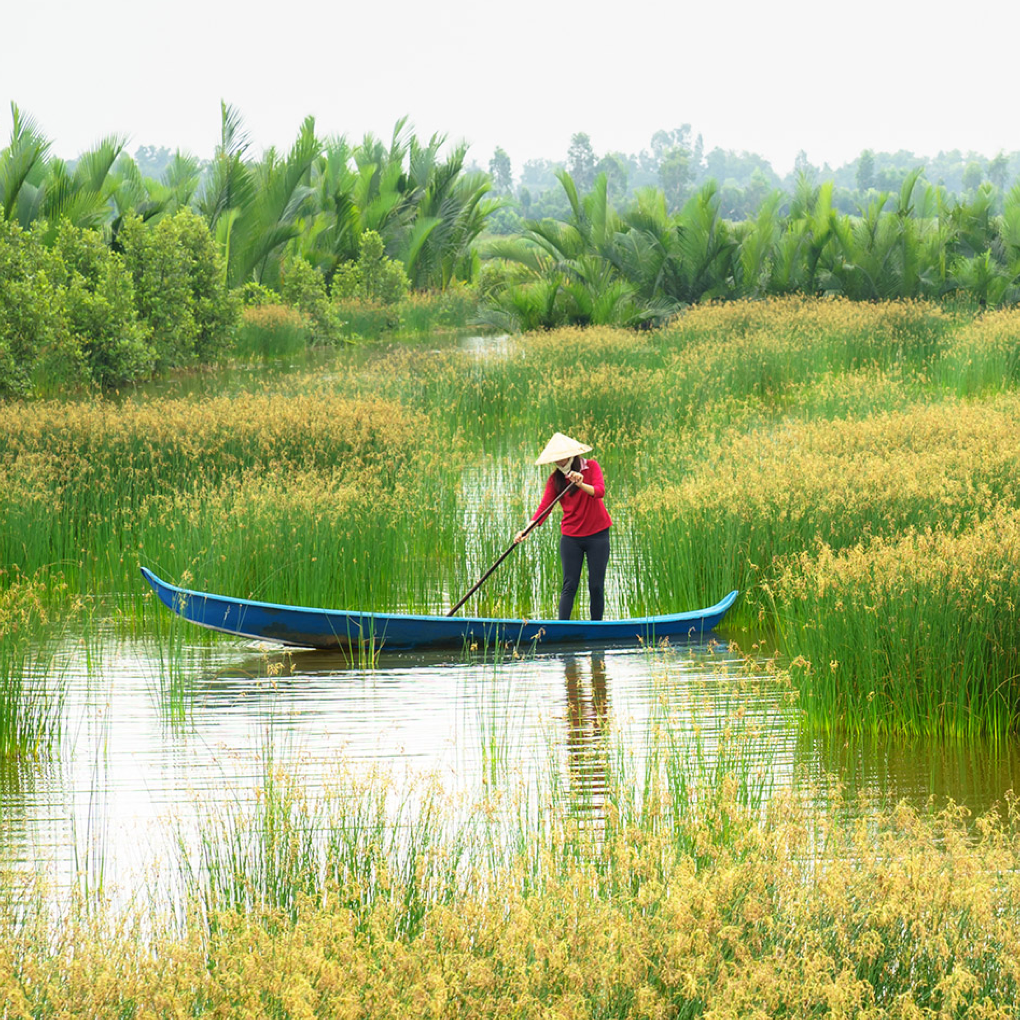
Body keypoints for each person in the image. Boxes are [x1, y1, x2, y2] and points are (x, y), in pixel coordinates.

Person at [514, 432, 612, 620]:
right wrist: (526, 531)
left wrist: (581, 483)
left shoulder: (591, 467)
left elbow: (599, 491)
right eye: (556, 459)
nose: (560, 462)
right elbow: (544, 509)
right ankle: (562, 627)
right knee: (569, 585)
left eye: (562, 457)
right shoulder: (555, 480)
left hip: (598, 535)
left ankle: (596, 628)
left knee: (596, 586)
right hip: (571, 538)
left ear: (572, 454)